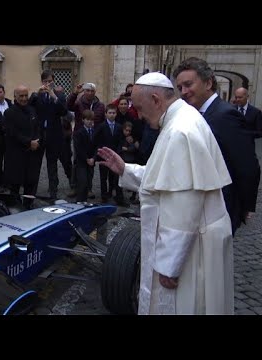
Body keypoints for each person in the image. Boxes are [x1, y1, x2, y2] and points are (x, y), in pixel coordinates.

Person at [98, 72, 234, 315]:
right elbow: (165, 178)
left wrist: (170, 265)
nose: (138, 115)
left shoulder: (179, 131)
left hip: (191, 249)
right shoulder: (181, 118)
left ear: (156, 99)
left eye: (139, 108)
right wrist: (125, 169)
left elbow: (184, 204)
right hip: (196, 237)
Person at [173, 57, 261, 235]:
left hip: (222, 206)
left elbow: (247, 166)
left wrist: (243, 207)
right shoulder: (196, 114)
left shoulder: (225, 115)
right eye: (180, 87)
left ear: (208, 83)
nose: (184, 91)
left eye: (188, 84)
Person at [28, 69, 68, 199]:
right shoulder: (37, 95)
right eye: (45, 81)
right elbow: (28, 108)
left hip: (53, 135)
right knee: (35, 164)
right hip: (39, 135)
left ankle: (53, 193)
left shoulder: (59, 96)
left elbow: (63, 112)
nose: (47, 84)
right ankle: (32, 192)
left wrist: (54, 96)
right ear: (41, 82)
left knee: (52, 165)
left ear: (53, 81)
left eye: (50, 81)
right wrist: (35, 95)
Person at [4, 85, 43, 210]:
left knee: (30, 183)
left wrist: (36, 141)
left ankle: (28, 205)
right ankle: (16, 208)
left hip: (32, 155)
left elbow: (37, 127)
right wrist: (28, 142)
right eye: (21, 96)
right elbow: (12, 133)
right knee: (15, 184)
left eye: (26, 95)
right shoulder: (9, 112)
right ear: (15, 96)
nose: (24, 98)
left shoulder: (32, 110)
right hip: (16, 155)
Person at [73, 109, 95, 202]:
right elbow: (78, 148)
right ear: (83, 120)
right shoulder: (79, 132)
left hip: (91, 161)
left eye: (91, 120)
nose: (90, 122)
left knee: (88, 182)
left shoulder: (94, 131)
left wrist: (93, 158)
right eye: (88, 119)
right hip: (81, 161)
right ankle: (79, 201)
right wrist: (86, 158)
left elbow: (96, 146)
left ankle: (84, 200)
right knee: (82, 181)